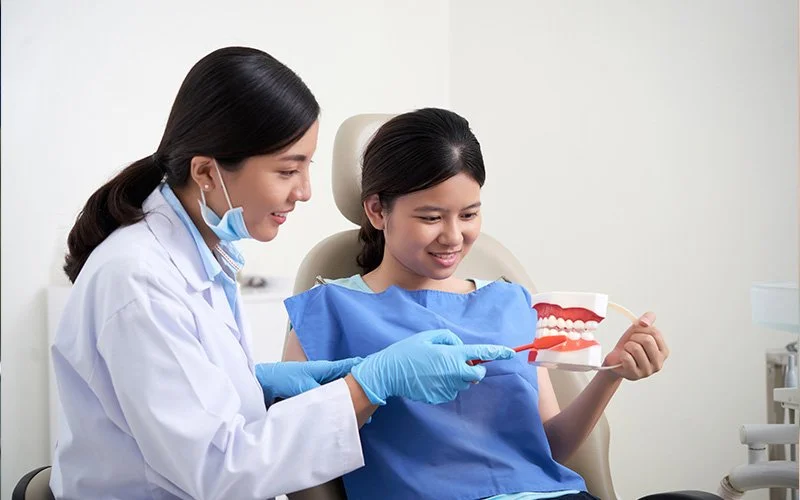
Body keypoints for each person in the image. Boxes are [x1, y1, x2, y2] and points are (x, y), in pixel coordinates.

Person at [50, 48, 515, 499]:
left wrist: (256, 382)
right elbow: (220, 472)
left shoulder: (196, 258)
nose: (305, 191)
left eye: (307, 167)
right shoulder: (139, 280)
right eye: (287, 170)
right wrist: (369, 384)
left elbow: (189, 397)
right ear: (207, 173)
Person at [283, 107, 671, 500]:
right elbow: (292, 448)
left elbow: (548, 449)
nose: (454, 236)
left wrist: (610, 374)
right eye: (431, 217)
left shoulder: (511, 301)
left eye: (469, 214)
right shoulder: (325, 313)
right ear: (378, 210)